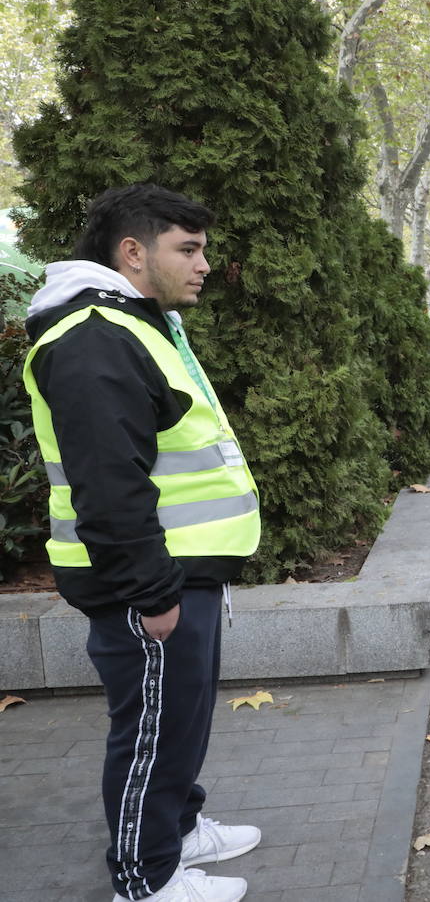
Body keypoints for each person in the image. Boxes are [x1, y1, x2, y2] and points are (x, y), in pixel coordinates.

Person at [22, 185, 262, 902]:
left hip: (181, 571)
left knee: (178, 718)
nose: (204, 265)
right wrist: (151, 590)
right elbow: (107, 484)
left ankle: (179, 833)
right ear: (133, 251)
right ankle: (146, 878)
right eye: (187, 249)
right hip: (150, 582)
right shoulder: (94, 338)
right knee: (151, 732)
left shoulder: (136, 324)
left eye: (204, 249)